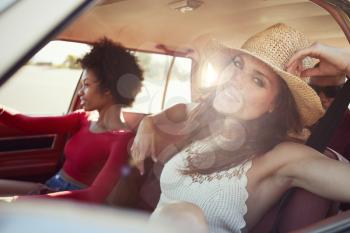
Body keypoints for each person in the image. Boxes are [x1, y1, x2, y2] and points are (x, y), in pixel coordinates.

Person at [131, 23, 350, 233]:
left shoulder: (282, 158)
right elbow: (180, 109)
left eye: (257, 80)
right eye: (237, 63)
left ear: (275, 104)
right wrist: (148, 123)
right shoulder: (207, 120)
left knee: (185, 216)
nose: (235, 79)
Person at [0, 38, 143, 203]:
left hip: (71, 203)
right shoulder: (83, 117)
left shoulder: (122, 140)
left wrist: (29, 200)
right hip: (49, 188)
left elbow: (94, 196)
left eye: (87, 85)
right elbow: (27, 124)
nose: (80, 92)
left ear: (109, 89)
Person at [308, 68, 350, 159]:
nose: (321, 97)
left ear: (344, 91)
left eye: (331, 91)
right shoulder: (298, 116)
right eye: (315, 89)